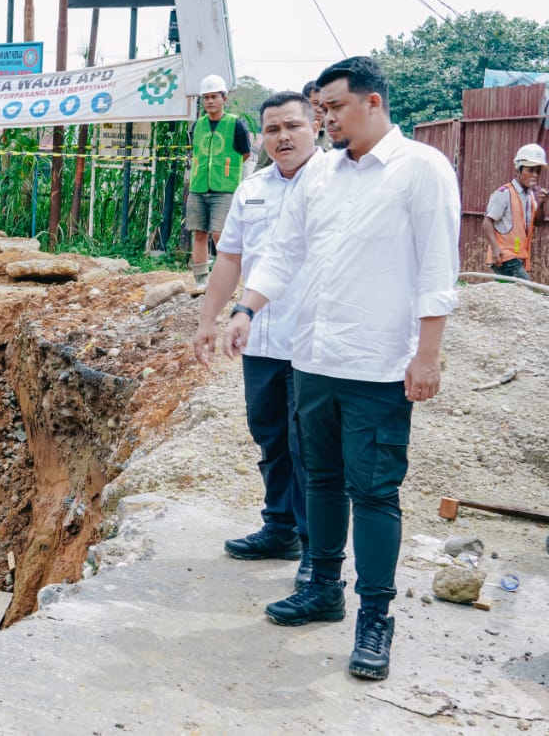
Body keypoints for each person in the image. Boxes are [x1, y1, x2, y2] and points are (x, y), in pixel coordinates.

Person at [220, 56, 460, 682]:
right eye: (319, 109)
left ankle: (374, 619)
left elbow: (438, 271)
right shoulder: (321, 176)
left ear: (373, 103)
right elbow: (282, 254)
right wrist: (247, 307)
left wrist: (427, 355)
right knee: (320, 479)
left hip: (379, 364)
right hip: (315, 360)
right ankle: (321, 588)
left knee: (375, 492)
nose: (323, 120)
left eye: (333, 108)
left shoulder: (421, 171)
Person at [193, 92, 320, 589]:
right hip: (261, 340)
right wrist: (209, 318)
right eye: (272, 129)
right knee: (269, 436)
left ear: (317, 127)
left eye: (293, 126)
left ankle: (317, 550)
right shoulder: (253, 189)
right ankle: (280, 528)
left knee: (309, 446)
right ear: (261, 137)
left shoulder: (334, 184)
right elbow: (231, 259)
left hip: (315, 343)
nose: (283, 137)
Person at [187, 73, 253, 293]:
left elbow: (244, 154)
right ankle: (200, 280)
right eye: (206, 98)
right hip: (198, 187)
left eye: (214, 96)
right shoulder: (198, 125)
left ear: (224, 98)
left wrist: (225, 170)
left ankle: (225, 279)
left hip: (224, 189)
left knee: (220, 234)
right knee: (199, 233)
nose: (209, 101)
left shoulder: (235, 124)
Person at [482, 143, 547, 281]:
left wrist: (541, 204)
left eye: (538, 171)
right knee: (525, 290)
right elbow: (487, 222)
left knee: (509, 296)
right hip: (504, 257)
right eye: (530, 170)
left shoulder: (529, 197)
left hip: (517, 257)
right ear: (518, 170)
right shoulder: (504, 193)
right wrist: (495, 249)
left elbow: (538, 223)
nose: (535, 175)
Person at [302, 81, 334, 152]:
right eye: (315, 103)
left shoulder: (333, 135)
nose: (320, 110)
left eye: (323, 105)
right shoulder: (291, 133)